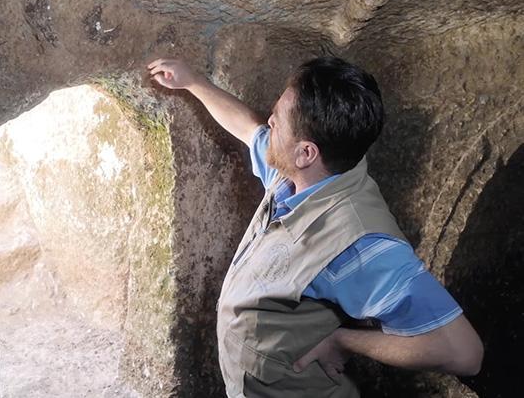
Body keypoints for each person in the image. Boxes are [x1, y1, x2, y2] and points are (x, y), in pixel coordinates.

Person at [147, 57, 484, 397]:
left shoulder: (358, 242)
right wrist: (194, 82)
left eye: (277, 120)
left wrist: (344, 341)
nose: (269, 122)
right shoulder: (301, 174)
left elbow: (463, 353)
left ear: (306, 153)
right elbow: (250, 129)